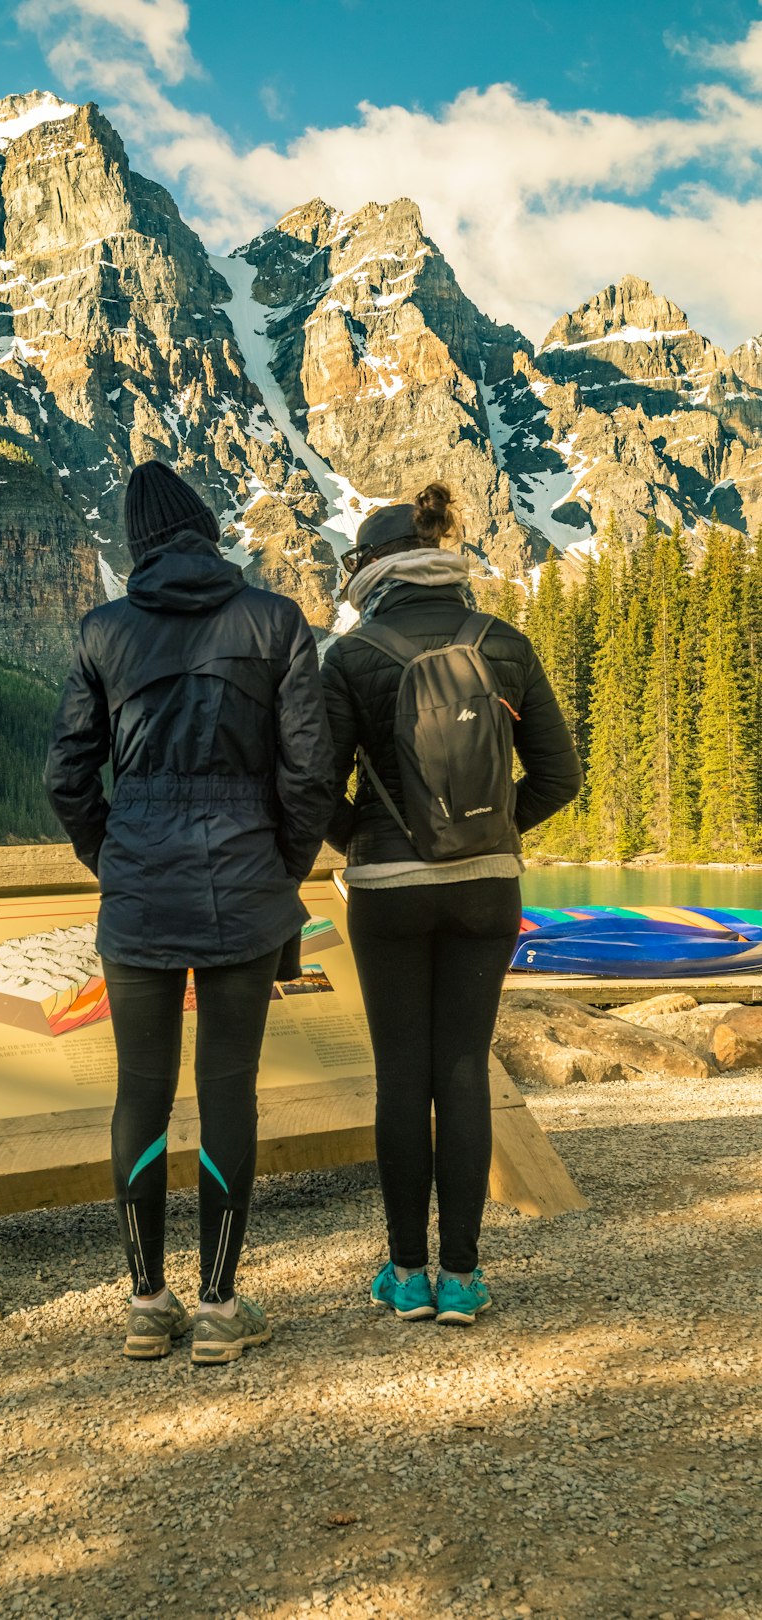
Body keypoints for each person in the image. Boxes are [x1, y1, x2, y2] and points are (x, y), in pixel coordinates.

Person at [44, 460, 333, 1363]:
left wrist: (115, 853)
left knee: (140, 1091)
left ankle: (145, 1301)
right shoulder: (276, 620)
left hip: (137, 891)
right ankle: (217, 1304)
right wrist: (277, 869)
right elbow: (312, 775)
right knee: (227, 1090)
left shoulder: (103, 631)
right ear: (207, 532)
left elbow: (65, 778)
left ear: (138, 547)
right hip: (246, 887)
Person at [320, 483, 582, 1326]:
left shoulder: (354, 658)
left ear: (376, 571)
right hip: (486, 888)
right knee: (465, 1066)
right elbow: (560, 778)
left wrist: (363, 836)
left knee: (403, 1073)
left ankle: (405, 1274)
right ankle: (463, 1277)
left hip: (388, 889)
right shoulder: (503, 645)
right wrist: (495, 830)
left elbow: (313, 786)